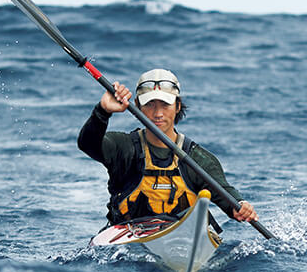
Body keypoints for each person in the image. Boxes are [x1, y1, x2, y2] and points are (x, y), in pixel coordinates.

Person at [78, 68, 258, 227]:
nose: (158, 113)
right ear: (138, 107)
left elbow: (224, 193)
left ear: (177, 106)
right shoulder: (123, 148)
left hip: (184, 239)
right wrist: (103, 111)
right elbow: (87, 144)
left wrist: (240, 206)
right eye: (149, 105)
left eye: (165, 105)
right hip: (127, 236)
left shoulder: (198, 158)